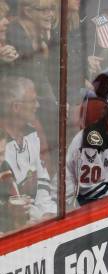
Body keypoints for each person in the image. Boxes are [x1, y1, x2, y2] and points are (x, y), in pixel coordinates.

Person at [0, 76, 56, 223]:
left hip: (35, 216)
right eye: (32, 101)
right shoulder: (2, 144)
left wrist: (46, 212)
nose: (37, 105)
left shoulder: (33, 133)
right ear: (16, 107)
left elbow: (42, 179)